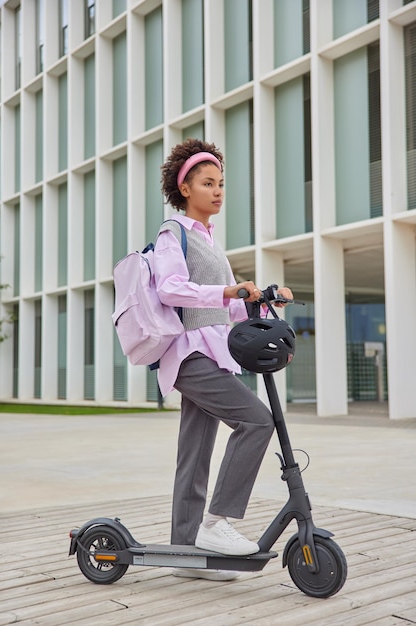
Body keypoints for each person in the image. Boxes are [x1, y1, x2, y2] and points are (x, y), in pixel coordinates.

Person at [153, 138, 293, 581]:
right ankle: (215, 524)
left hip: (213, 351)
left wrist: (265, 299)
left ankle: (185, 553)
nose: (217, 191)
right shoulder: (171, 233)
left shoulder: (212, 243)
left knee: (194, 455)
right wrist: (228, 290)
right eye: (207, 183)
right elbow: (170, 289)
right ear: (185, 188)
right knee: (257, 421)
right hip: (190, 353)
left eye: (221, 183)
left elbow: (228, 309)